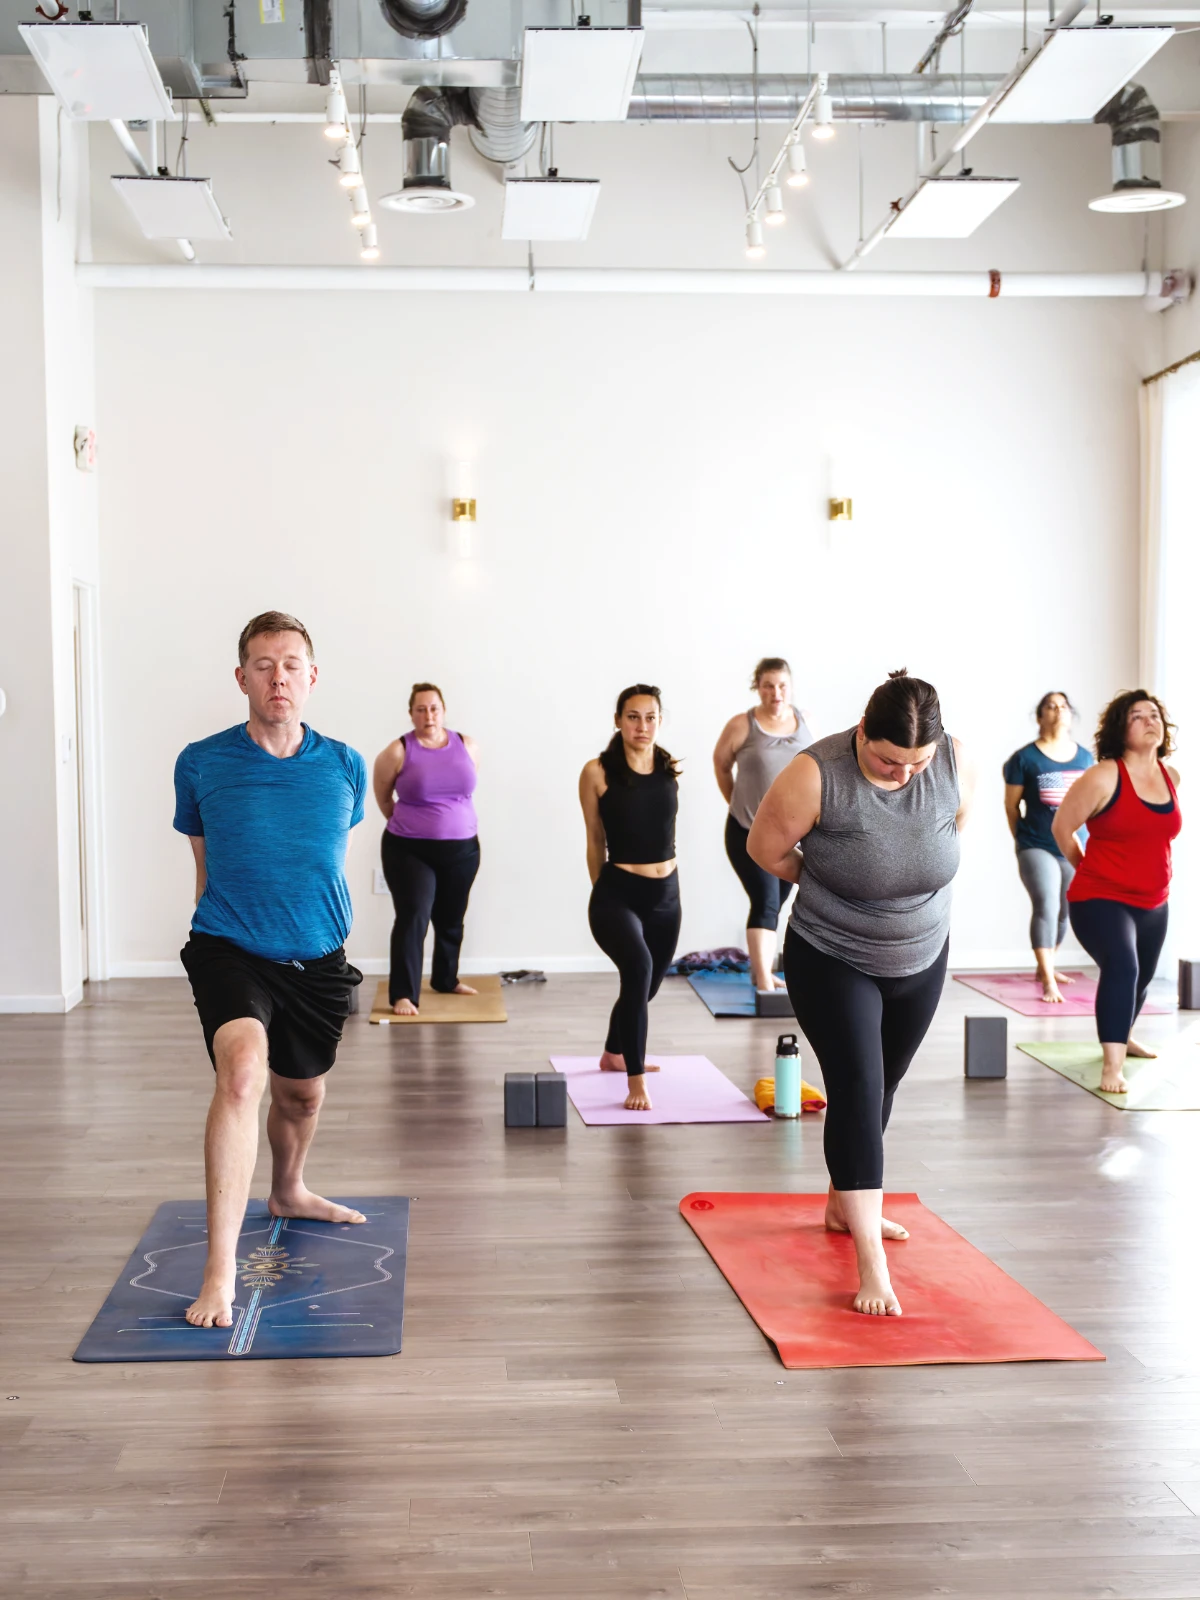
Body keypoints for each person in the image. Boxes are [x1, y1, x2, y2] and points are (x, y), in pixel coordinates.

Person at [749, 670, 973, 1318]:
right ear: (861, 734)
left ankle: (842, 1206)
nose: (904, 775)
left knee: (885, 1086)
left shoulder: (957, 760)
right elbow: (766, 847)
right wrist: (834, 882)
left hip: (922, 954)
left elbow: (951, 833)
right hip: (833, 955)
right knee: (855, 1087)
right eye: (887, 760)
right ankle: (870, 1259)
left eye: (917, 763)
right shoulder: (815, 773)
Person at [174, 611, 367, 1331]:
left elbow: (322, 856)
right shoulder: (201, 761)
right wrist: (218, 936)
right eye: (262, 664)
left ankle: (289, 1188)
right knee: (243, 1074)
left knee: (302, 1097)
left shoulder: (345, 764)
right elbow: (203, 859)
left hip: (317, 959)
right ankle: (219, 1270)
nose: (277, 676)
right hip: (229, 948)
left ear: (311, 677)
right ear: (241, 677)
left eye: (291, 664)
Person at [1053, 691, 1181, 1094]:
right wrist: (1088, 868)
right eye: (1137, 716)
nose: (1149, 720)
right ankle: (1113, 1066)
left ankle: (1121, 1036)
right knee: (1123, 967)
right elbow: (1062, 828)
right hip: (1100, 899)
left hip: (1154, 902)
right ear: (1120, 730)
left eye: (1155, 714)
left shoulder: (1170, 776)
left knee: (1140, 979)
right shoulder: (1105, 775)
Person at [579, 686, 682, 1112]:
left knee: (647, 985)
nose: (643, 725)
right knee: (637, 970)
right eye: (634, 716)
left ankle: (613, 1052)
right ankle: (635, 1079)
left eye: (651, 717)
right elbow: (594, 840)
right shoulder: (597, 772)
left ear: (660, 720)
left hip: (667, 894)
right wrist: (601, 892)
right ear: (618, 720)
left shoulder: (668, 767)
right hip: (617, 892)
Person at [373, 684, 480, 1016]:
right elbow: (382, 793)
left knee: (452, 918)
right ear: (411, 714)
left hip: (463, 848)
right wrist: (411, 823)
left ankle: (446, 979)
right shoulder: (398, 750)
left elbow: (464, 792)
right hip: (409, 850)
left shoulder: (467, 745)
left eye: (434, 708)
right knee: (414, 915)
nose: (428, 715)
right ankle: (403, 993)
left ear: (443, 710)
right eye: (421, 709)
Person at [713, 657, 816, 992]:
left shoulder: (805, 721)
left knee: (778, 902)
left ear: (791, 686)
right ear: (757, 688)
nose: (776, 692)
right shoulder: (741, 726)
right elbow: (721, 763)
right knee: (765, 901)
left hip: (792, 835)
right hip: (747, 830)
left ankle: (763, 973)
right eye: (768, 685)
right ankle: (763, 983)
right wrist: (736, 802)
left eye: (782, 685)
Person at [1003, 692, 1095, 1003]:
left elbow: (1091, 805)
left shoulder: (1085, 759)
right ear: (1040, 716)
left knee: (1066, 910)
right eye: (1050, 706)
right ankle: (1048, 983)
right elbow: (1012, 806)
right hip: (1036, 845)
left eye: (1063, 706)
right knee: (1047, 905)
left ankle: (1048, 966)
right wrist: (1021, 841)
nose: (1058, 711)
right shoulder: (1024, 759)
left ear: (1071, 714)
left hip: (1073, 845)